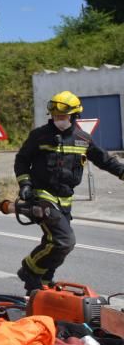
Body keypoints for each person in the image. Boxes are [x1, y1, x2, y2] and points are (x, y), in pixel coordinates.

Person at [14, 91, 124, 291]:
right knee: (64, 240)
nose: (58, 120)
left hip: (65, 200)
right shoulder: (40, 136)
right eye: (55, 117)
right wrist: (25, 185)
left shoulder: (83, 139)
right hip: (42, 196)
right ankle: (29, 269)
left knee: (54, 243)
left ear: (74, 116)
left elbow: (104, 160)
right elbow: (21, 160)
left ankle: (42, 284)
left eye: (63, 117)